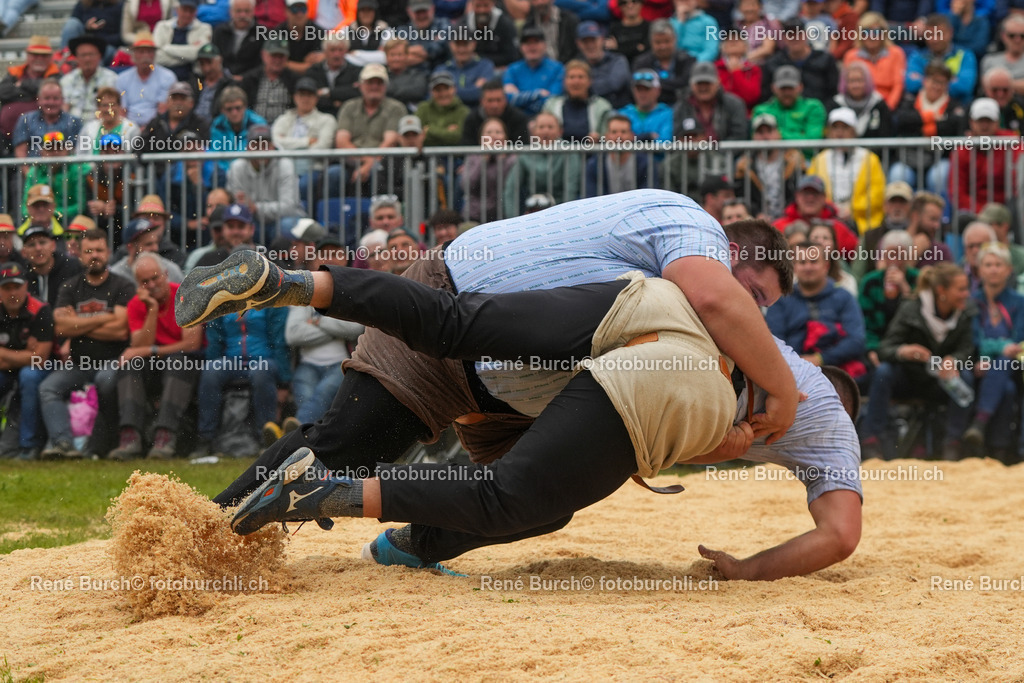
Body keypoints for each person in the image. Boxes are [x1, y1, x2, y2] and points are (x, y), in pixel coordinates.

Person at [180, 250, 861, 581]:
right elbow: (839, 535)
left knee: (452, 321)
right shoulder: (831, 424)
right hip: (681, 383)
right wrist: (748, 568)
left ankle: (292, 280)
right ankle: (323, 492)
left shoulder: (777, 349)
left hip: (650, 305)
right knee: (510, 495)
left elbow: (717, 302)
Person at [860, 262, 975, 460]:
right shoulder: (911, 308)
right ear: (941, 291)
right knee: (883, 372)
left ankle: (953, 443)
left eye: (967, 288)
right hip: (908, 378)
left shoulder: (966, 312)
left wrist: (954, 360)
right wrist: (904, 351)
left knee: (966, 376)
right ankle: (872, 440)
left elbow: (969, 349)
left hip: (941, 381)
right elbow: (885, 347)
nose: (967, 294)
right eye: (961, 289)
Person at [39, 228, 134, 459]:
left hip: (113, 361)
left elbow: (121, 329)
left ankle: (100, 445)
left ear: (108, 253)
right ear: (80, 255)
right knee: (48, 388)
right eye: (88, 251)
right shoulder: (70, 287)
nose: (94, 256)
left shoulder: (123, 286)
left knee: (106, 382)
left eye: (99, 250)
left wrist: (78, 323)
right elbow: (60, 328)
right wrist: (106, 318)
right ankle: (64, 445)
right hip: (78, 363)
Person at [108, 250, 202, 460]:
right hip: (156, 366)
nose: (151, 285)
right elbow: (140, 345)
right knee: (129, 364)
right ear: (137, 284)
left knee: (179, 361)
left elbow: (191, 344)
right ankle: (130, 437)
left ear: (166, 274)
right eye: (145, 282)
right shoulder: (136, 304)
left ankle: (165, 436)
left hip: (188, 364)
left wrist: (151, 351)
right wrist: (151, 309)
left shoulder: (186, 296)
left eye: (155, 278)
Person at [284, 239, 363, 428]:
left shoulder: (355, 290)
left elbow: (355, 328)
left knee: (323, 392)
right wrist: (336, 330)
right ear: (315, 260)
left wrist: (317, 320)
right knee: (307, 397)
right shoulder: (303, 289)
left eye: (337, 254)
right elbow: (293, 335)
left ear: (346, 259)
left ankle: (293, 435)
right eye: (325, 255)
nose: (331, 259)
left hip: (341, 364)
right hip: (307, 365)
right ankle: (306, 439)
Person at [959, 242, 1024, 462]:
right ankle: (999, 450)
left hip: (1014, 365)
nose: (994, 269)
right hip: (978, 366)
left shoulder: (1020, 302)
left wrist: (996, 354)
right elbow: (974, 339)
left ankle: (980, 423)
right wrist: (988, 356)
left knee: (1006, 362)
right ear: (979, 269)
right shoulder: (971, 302)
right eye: (988, 264)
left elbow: (1016, 342)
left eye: (999, 264)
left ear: (1008, 269)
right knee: (1005, 388)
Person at [767, 240, 867, 382]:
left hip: (838, 372)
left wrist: (820, 359)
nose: (808, 267)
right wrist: (799, 363)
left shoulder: (844, 297)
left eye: (813, 262)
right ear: (794, 267)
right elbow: (774, 341)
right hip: (791, 374)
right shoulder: (781, 300)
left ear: (826, 266)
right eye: (802, 262)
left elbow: (856, 340)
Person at [0, 261, 54, 461]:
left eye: (17, 287)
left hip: (44, 368)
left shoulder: (41, 309)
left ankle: (29, 445)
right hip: (10, 369)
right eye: (6, 288)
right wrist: (25, 355)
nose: (12, 293)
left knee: (29, 376)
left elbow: (40, 359)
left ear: (25, 287)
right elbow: (32, 356)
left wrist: (4, 355)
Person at [806, 107, 886, 235]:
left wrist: (853, 209)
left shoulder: (870, 159)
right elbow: (812, 190)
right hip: (827, 218)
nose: (839, 133)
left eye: (845, 128)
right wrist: (831, 209)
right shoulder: (819, 159)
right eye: (835, 128)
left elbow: (877, 193)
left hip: (862, 221)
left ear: (854, 131)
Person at [858, 229, 918, 368]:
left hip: (909, 347)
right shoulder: (870, 282)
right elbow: (864, 322)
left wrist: (906, 291)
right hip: (877, 345)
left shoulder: (918, 280)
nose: (894, 260)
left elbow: (921, 323)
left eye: (900, 255)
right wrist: (871, 349)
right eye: (890, 254)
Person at [842, 12, 906, 111]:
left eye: (876, 31)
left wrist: (886, 109)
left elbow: (898, 86)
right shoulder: (851, 56)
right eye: (866, 32)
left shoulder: (896, 53)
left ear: (884, 33)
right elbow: (847, 87)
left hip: (887, 106)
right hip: (858, 106)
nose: (871, 36)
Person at [460, 117, 517, 222]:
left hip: (502, 216)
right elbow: (466, 186)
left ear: (505, 138)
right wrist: (483, 160)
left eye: (498, 132)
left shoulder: (512, 159)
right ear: (480, 138)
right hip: (475, 216)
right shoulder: (473, 157)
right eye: (489, 132)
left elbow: (509, 187)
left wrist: (501, 160)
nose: (493, 136)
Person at [542, 59, 612, 142]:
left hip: (592, 153)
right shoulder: (551, 105)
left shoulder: (602, 107)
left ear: (590, 81)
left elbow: (608, 137)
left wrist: (599, 139)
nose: (576, 82)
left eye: (581, 77)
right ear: (564, 82)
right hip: (558, 154)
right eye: (571, 77)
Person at [116, 32, 176, 127]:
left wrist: (148, 130)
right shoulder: (122, 78)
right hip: (128, 126)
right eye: (141, 52)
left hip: (157, 126)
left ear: (154, 54)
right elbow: (122, 111)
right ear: (134, 54)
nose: (145, 56)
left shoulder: (167, 76)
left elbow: (163, 110)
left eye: (149, 52)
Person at [503, 26, 564, 115]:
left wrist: (520, 98)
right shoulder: (512, 70)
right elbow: (508, 99)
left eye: (536, 42)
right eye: (527, 43)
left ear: (545, 45)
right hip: (519, 120)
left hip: (547, 117)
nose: (532, 47)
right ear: (521, 47)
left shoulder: (558, 69)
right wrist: (538, 94)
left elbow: (552, 100)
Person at [631, 19, 693, 106]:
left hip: (683, 106)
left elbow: (685, 83)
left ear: (675, 40)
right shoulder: (641, 62)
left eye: (667, 41)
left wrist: (654, 83)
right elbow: (638, 86)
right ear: (651, 42)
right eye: (658, 42)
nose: (663, 46)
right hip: (652, 107)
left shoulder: (687, 60)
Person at [20, 225, 82, 310]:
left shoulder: (73, 268)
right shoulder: (21, 276)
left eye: (42, 242)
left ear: (53, 245)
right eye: (31, 244)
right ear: (24, 252)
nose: (38, 248)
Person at [109, 218, 186, 284]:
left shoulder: (171, 270)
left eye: (156, 243)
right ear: (130, 248)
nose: (155, 248)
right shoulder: (116, 275)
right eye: (148, 244)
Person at [60, 35, 117, 120]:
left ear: (99, 56)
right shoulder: (67, 80)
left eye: (91, 55)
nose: (87, 59)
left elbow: (115, 110)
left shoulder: (112, 79)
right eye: (83, 55)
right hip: (72, 128)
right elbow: (64, 109)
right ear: (76, 58)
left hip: (100, 127)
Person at [154, 0, 212, 82]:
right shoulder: (162, 27)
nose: (187, 14)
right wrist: (187, 58)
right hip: (162, 76)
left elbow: (198, 54)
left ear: (196, 12)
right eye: (185, 10)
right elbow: (156, 56)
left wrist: (167, 48)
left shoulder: (204, 29)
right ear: (177, 10)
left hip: (191, 78)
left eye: (191, 11)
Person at [460, 78, 529, 145]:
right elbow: (467, 147)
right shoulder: (472, 119)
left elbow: (522, 147)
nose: (495, 105)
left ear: (505, 100)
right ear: (481, 101)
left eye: (498, 100)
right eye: (490, 100)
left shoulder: (518, 118)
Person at [211, 0, 262, 77]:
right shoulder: (220, 32)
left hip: (251, 81)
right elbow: (214, 58)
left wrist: (244, 78)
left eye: (247, 11)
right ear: (230, 12)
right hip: (222, 80)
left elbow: (263, 64)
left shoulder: (262, 33)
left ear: (253, 11)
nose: (243, 15)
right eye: (238, 11)